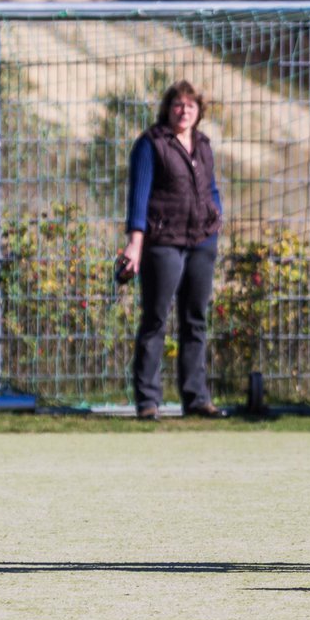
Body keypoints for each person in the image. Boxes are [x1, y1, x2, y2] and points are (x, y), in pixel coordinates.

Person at [120, 80, 224, 421]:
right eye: (178, 105)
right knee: (156, 319)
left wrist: (215, 216)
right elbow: (139, 194)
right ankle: (148, 400)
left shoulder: (203, 145)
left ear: (199, 111)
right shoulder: (151, 144)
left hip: (201, 242)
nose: (184, 111)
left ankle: (196, 398)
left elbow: (210, 189)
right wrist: (136, 244)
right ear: (168, 108)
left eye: (190, 106)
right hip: (163, 243)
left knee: (195, 320)